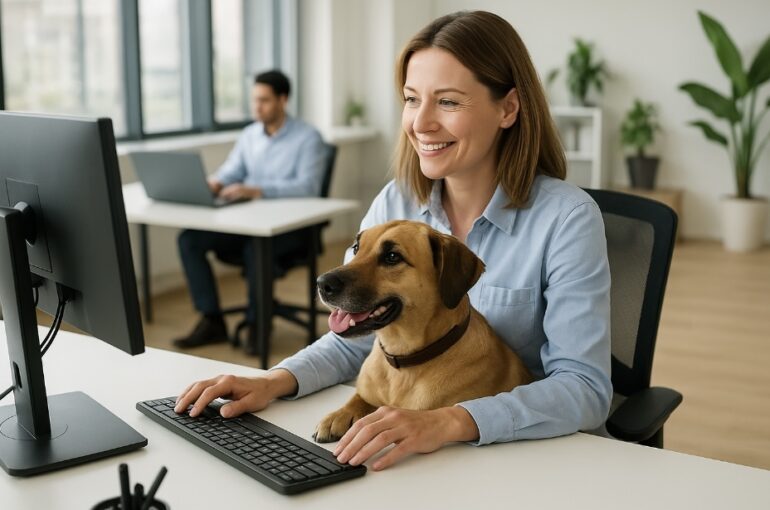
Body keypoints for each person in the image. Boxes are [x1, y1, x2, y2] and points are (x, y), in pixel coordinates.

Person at [175, 11, 612, 471]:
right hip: (433, 458)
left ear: (508, 108)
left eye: (448, 102)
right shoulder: (397, 201)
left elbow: (584, 389)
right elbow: (352, 335)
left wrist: (448, 421)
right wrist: (274, 380)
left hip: (535, 458)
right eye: (411, 99)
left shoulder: (567, 218)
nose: (420, 123)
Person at [173, 70, 327, 348]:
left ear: (283, 99)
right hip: (249, 224)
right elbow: (233, 170)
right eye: (255, 100)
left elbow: (308, 187)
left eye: (264, 100)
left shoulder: (308, 137)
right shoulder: (249, 135)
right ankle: (212, 320)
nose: (257, 107)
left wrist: (259, 189)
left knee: (255, 249)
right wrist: (215, 183)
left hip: (291, 229)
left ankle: (259, 323)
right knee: (189, 240)